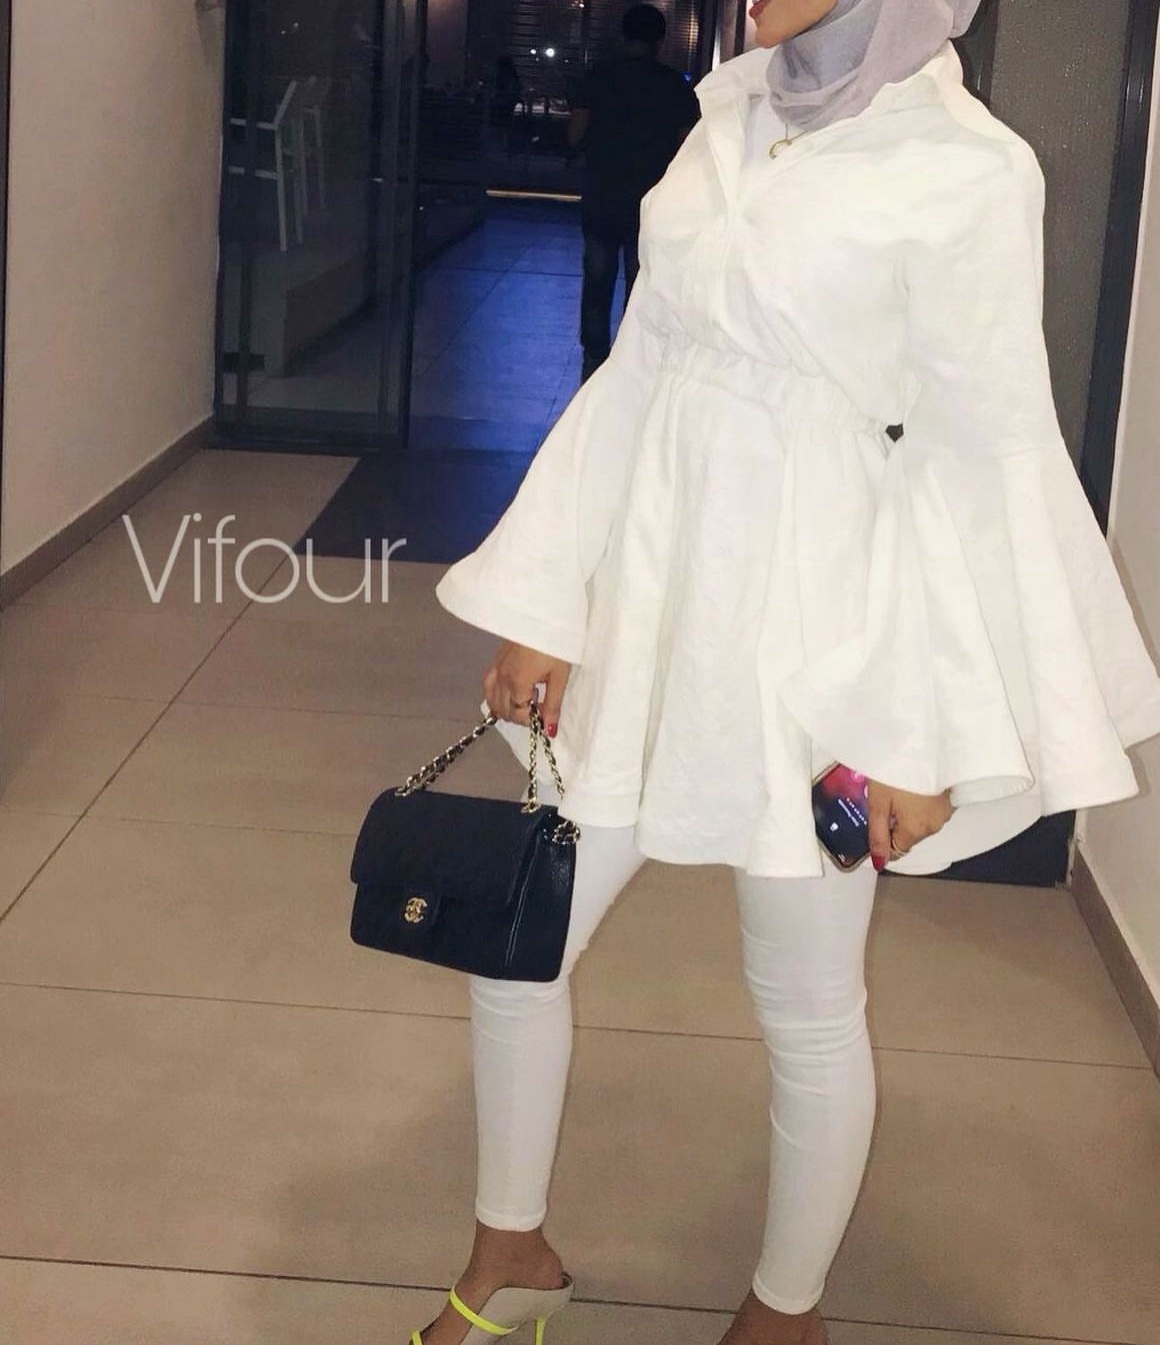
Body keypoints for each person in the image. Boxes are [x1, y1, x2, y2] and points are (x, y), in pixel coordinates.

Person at [419, 2, 1160, 1343]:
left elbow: (980, 459)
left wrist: (916, 732)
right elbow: (635, 374)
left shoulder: (970, 169)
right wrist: (544, 603)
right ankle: (509, 1244)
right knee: (515, 940)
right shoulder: (729, 113)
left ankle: (785, 1310)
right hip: (651, 608)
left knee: (807, 1006)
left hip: (828, 643)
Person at [568, 4, 700, 381]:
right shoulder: (675, 86)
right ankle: (631, 361)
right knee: (640, 283)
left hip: (602, 194)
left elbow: (575, 135)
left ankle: (594, 358)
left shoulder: (598, 77)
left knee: (597, 280)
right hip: (650, 202)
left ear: (623, 34)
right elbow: (686, 149)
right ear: (661, 40)